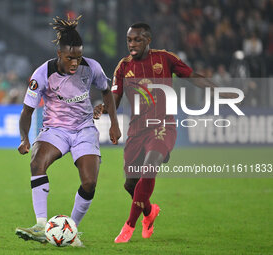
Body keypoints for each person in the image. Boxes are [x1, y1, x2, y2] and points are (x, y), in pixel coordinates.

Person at [94, 23, 236, 243]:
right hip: (136, 130)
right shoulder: (123, 67)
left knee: (149, 168)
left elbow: (192, 76)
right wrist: (107, 115)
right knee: (130, 184)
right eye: (129, 40)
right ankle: (149, 212)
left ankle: (129, 226)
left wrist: (218, 90)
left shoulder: (165, 59)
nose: (132, 44)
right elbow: (115, 97)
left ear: (148, 40)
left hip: (163, 126)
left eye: (137, 40)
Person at [15, 15, 121, 247]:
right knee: (37, 162)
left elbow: (107, 92)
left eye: (78, 57)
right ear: (59, 54)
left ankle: (69, 231)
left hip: (84, 129)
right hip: (56, 129)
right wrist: (25, 138)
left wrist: (114, 122)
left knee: (89, 183)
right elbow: (26, 112)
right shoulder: (43, 73)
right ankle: (42, 225)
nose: (75, 62)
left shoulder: (92, 67)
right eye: (70, 58)